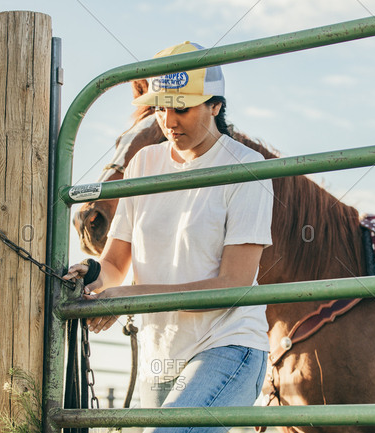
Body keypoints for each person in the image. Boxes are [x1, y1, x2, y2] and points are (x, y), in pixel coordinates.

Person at [65, 41, 274, 432]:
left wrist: (129, 296)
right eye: (161, 108)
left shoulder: (247, 168)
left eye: (182, 108)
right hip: (159, 353)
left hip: (227, 343)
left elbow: (234, 286)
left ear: (215, 105)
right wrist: (93, 275)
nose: (169, 121)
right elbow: (115, 264)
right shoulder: (144, 164)